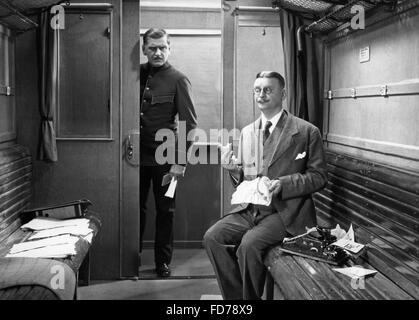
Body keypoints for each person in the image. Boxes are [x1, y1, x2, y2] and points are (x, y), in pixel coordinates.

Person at [203, 71, 327, 299]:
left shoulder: (307, 132)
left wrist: (283, 184)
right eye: (257, 90)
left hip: (287, 213)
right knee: (213, 237)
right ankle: (237, 301)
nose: (262, 94)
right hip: (250, 210)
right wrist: (234, 171)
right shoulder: (248, 132)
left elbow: (319, 177)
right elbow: (247, 180)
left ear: (284, 94)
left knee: (249, 245)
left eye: (268, 89)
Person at [140, 28, 197, 277]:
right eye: (152, 48)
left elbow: (189, 124)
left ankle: (162, 262)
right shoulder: (135, 74)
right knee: (136, 210)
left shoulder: (178, 79)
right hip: (135, 158)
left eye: (163, 47)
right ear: (144, 50)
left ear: (169, 48)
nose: (158, 52)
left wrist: (180, 163)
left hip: (167, 158)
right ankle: (132, 258)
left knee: (166, 211)